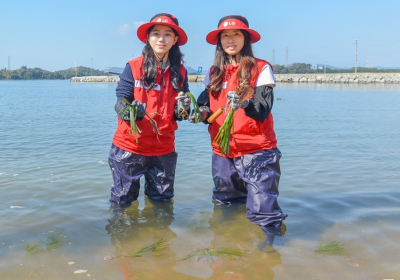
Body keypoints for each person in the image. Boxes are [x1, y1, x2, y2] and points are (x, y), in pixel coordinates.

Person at [191, 15, 287, 229]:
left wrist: (244, 102)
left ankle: (267, 254)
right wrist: (199, 114)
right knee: (226, 206)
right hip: (222, 152)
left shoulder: (261, 68)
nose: (230, 40)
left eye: (236, 34)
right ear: (219, 41)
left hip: (257, 152)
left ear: (246, 39)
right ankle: (230, 248)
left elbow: (262, 110)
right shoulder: (214, 72)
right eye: (225, 35)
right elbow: (204, 105)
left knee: (264, 213)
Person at [109, 13, 191, 205]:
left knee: (162, 202)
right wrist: (126, 111)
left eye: (167, 34)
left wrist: (184, 109)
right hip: (130, 146)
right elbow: (121, 96)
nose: (161, 39)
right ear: (148, 37)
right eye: (156, 33)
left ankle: (159, 234)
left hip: (164, 148)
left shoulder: (181, 72)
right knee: (123, 202)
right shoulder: (133, 66)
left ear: (175, 39)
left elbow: (181, 106)